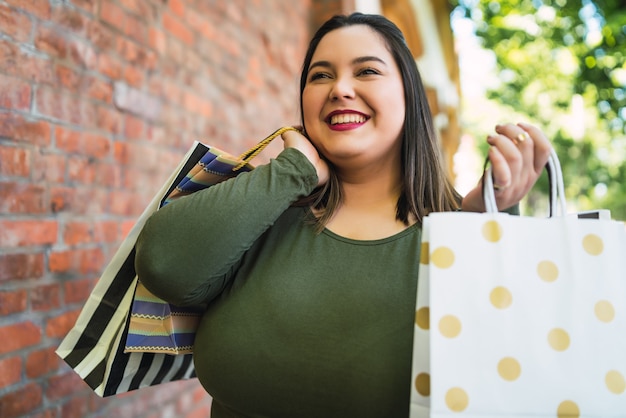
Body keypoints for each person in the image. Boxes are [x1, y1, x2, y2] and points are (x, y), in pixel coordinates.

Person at [135, 12, 551, 418]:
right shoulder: (262, 207)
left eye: (367, 71)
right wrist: (291, 172)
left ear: (409, 93)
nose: (340, 89)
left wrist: (482, 224)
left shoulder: (460, 232)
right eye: (321, 75)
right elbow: (162, 265)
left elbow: (497, 372)